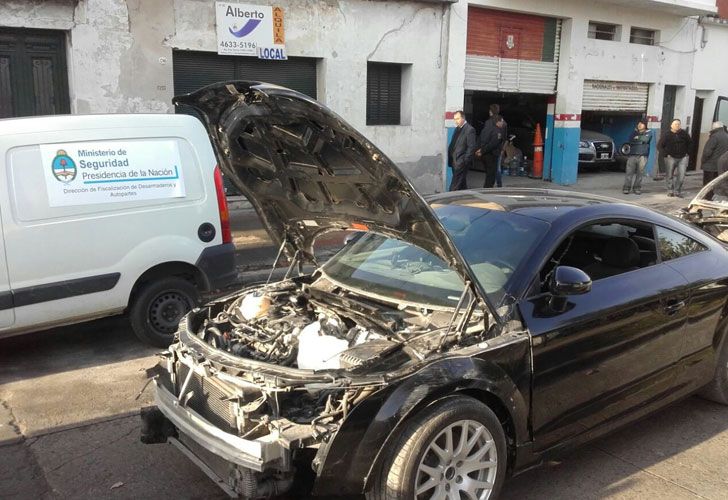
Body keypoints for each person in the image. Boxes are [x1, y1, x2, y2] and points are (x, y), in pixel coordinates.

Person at [658, 118, 692, 197]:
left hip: (682, 157)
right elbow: (659, 146)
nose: (677, 126)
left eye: (678, 124)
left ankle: (677, 191)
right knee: (669, 175)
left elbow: (690, 143)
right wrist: (666, 154)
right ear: (671, 125)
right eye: (675, 124)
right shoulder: (666, 134)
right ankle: (670, 190)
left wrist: (687, 153)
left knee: (681, 175)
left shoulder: (684, 134)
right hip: (671, 158)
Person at [447, 110, 476, 191]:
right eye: (454, 119)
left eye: (457, 119)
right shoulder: (457, 128)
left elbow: (471, 147)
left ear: (463, 118)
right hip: (454, 161)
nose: (456, 121)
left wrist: (464, 161)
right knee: (461, 183)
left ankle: (449, 200)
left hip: (461, 162)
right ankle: (465, 198)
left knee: (454, 186)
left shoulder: (470, 130)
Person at [622, 120, 652, 195]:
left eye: (641, 124)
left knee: (640, 173)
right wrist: (640, 139)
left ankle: (637, 188)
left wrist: (638, 138)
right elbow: (631, 140)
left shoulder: (649, 132)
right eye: (638, 124)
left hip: (643, 156)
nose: (639, 125)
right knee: (629, 172)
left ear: (645, 125)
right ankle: (626, 188)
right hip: (632, 155)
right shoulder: (633, 132)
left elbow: (646, 139)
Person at [477, 115, 505, 188]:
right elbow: (493, 144)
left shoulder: (486, 129)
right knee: (491, 175)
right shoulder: (497, 131)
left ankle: (487, 188)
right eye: (502, 121)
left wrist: (479, 150)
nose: (503, 123)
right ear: (498, 122)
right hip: (491, 155)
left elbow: (480, 140)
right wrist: (482, 151)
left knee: (488, 173)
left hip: (484, 155)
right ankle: (487, 189)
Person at [700, 121, 728, 186]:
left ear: (714, 127)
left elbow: (707, 152)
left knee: (708, 185)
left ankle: (707, 196)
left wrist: (703, 161)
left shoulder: (714, 137)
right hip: (721, 166)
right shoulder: (726, 136)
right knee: (716, 185)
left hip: (710, 166)